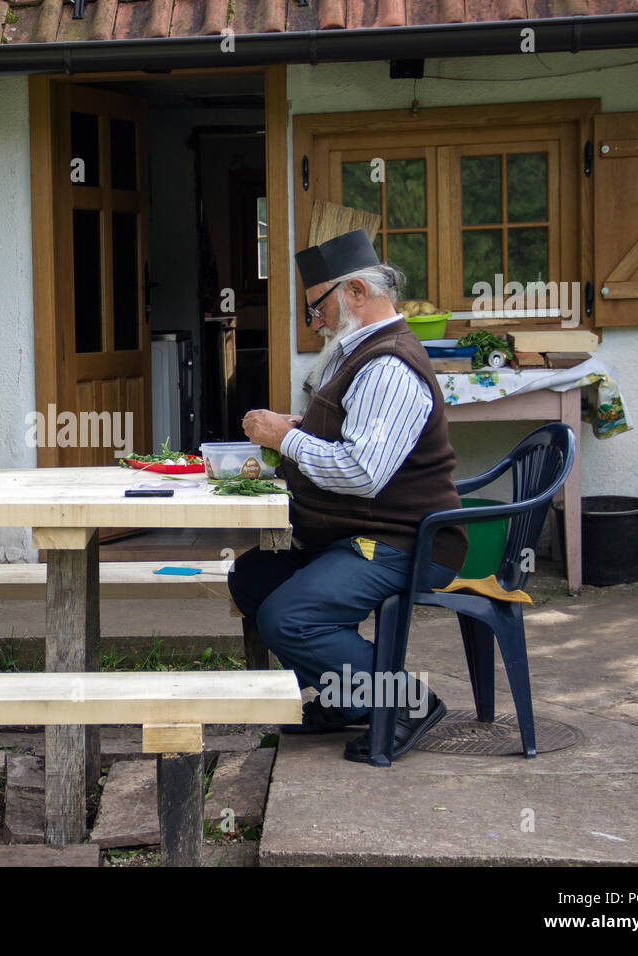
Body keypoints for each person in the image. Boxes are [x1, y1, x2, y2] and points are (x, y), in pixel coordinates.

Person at [230, 229, 467, 763]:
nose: (314, 323)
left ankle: (405, 702)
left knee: (289, 617)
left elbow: (362, 472)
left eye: (317, 308)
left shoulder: (389, 365)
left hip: (400, 541)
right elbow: (351, 436)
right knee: (252, 580)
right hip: (351, 534)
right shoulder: (355, 353)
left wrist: (284, 438)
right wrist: (296, 427)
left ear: (356, 292)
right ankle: (348, 696)